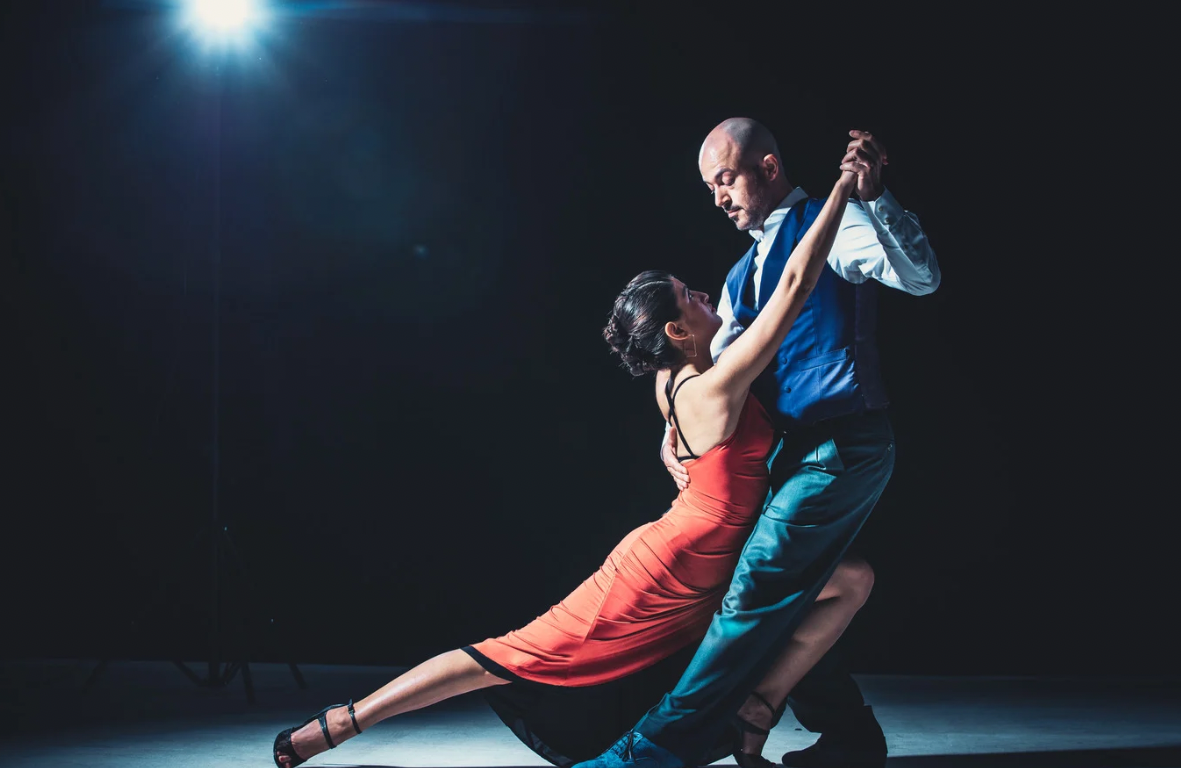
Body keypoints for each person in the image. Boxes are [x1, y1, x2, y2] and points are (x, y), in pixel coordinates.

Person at [271, 165, 869, 768]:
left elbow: (680, 437)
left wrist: (671, 449)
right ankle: (342, 723)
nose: (707, 297)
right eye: (692, 297)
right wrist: (840, 191)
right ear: (675, 330)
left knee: (852, 580)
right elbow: (794, 285)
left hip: (714, 554)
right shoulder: (715, 388)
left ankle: (755, 714)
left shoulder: (672, 378)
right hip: (669, 569)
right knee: (510, 656)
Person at [574, 120, 939, 768]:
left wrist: (877, 201)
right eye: (708, 187)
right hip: (787, 458)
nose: (717, 197)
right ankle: (844, 737)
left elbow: (920, 279)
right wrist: (670, 426)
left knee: (757, 589)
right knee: (794, 590)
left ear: (767, 167)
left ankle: (657, 749)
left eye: (725, 178)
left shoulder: (836, 225)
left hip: (840, 442)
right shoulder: (740, 275)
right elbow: (707, 365)